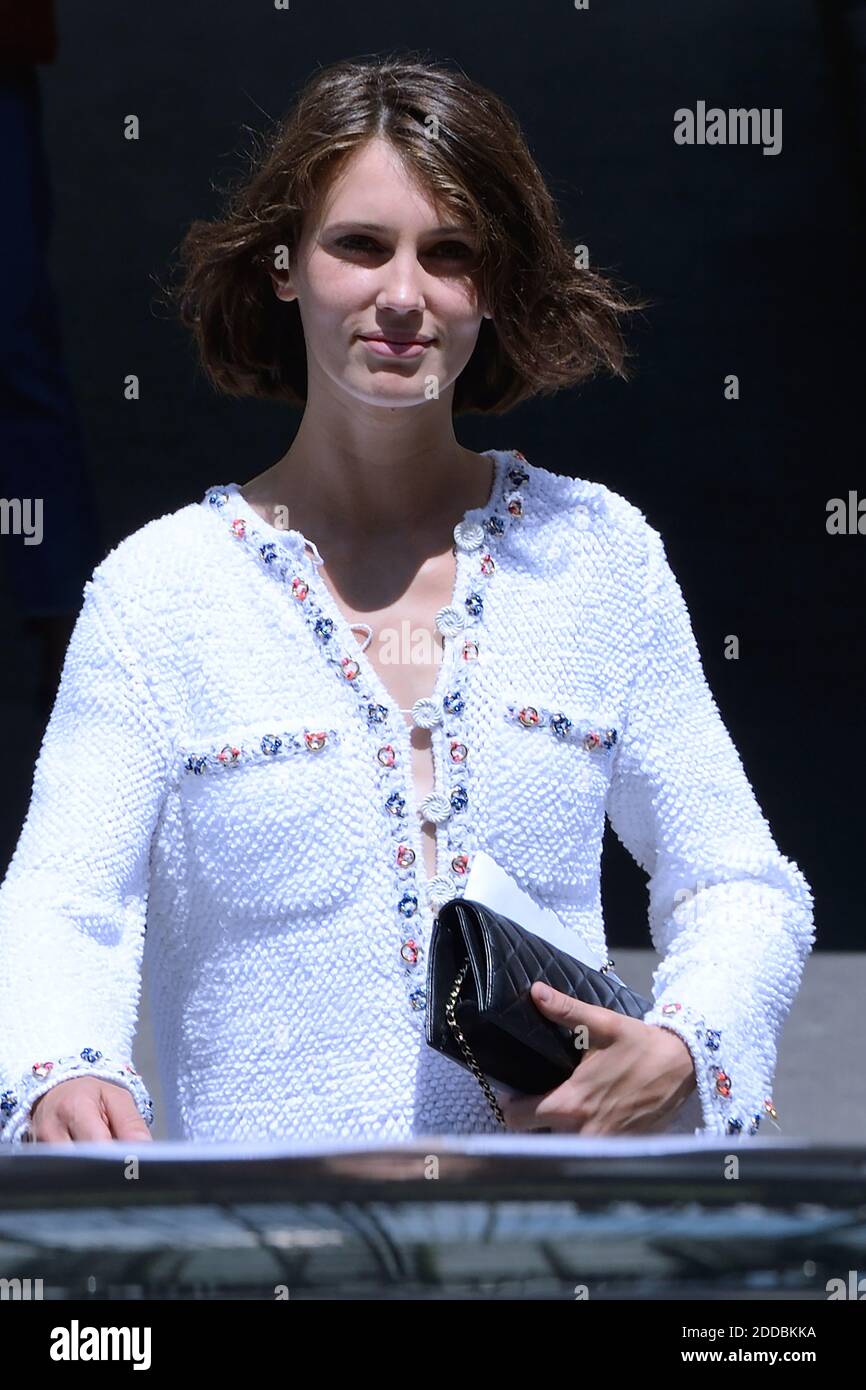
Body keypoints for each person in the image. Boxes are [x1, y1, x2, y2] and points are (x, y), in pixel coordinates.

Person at [0, 53, 814, 1145]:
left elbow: (737, 882)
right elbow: (61, 905)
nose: (401, 295)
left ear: (497, 283)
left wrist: (683, 1044)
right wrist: (64, 1068)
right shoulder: (159, 593)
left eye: (450, 254)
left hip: (548, 1251)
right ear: (284, 266)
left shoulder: (597, 560)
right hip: (260, 1256)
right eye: (358, 245)